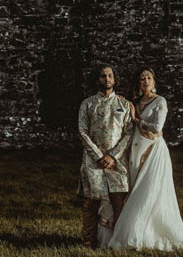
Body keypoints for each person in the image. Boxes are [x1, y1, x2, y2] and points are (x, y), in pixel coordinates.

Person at [101, 69, 183, 250]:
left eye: (149, 78)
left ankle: (140, 237)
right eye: (142, 79)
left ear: (154, 81)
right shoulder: (136, 103)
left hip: (153, 152)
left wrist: (137, 120)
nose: (145, 81)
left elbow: (157, 127)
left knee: (148, 193)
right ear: (138, 83)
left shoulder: (160, 101)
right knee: (134, 192)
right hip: (135, 152)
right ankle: (138, 234)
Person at [78, 64, 133, 249]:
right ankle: (88, 244)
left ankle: (117, 243)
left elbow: (129, 133)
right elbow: (82, 132)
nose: (107, 79)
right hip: (93, 162)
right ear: (97, 80)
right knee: (90, 204)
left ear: (114, 79)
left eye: (110, 76)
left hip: (117, 162)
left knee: (119, 203)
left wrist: (113, 156)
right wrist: (99, 156)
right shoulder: (87, 104)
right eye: (103, 76)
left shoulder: (124, 104)